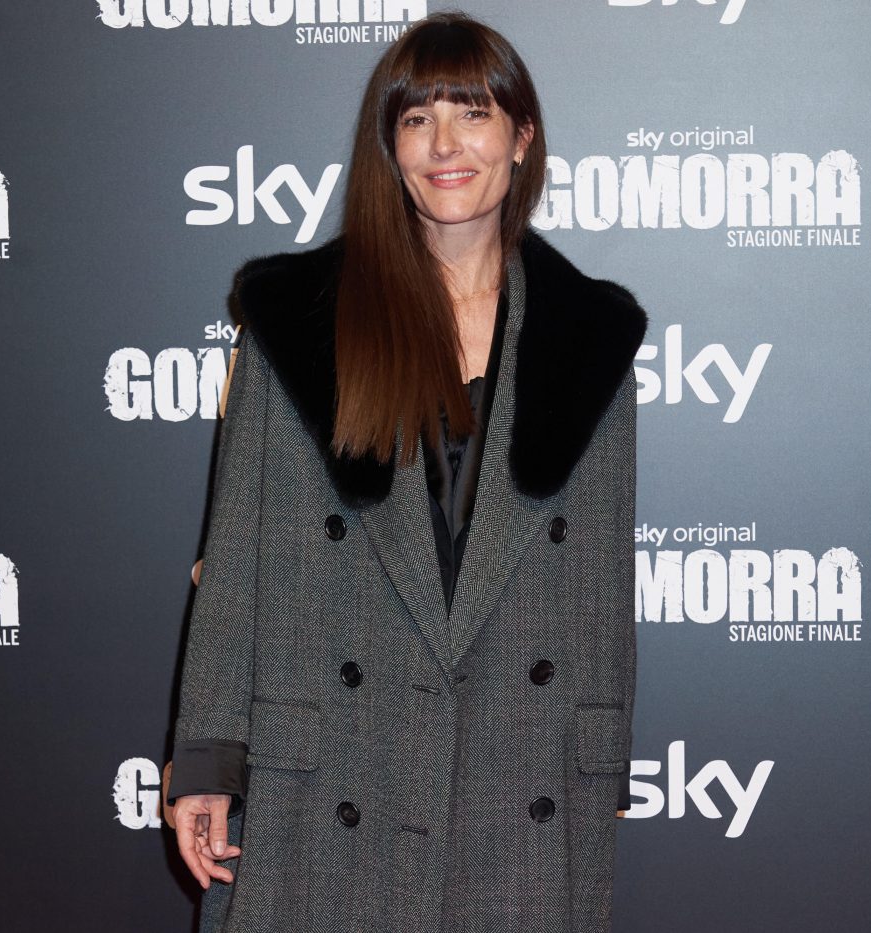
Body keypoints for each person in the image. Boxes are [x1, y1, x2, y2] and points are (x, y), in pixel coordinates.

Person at [167, 11, 647, 932]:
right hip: (333, 765)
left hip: (518, 765)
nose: (445, 144)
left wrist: (600, 761)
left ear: (522, 137)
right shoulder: (299, 320)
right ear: (390, 147)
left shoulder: (590, 338)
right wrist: (208, 757)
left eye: (472, 112)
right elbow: (237, 555)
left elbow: (599, 576)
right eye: (418, 118)